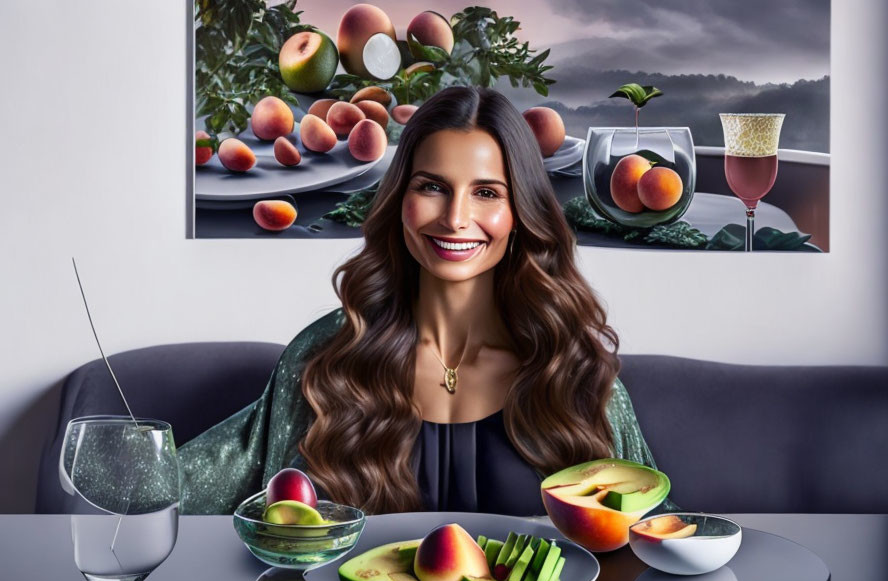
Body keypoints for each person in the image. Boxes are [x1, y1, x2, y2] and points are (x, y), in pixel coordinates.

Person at [178, 85, 674, 516]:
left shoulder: (572, 367)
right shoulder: (326, 357)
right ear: (399, 202)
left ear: (520, 212)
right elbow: (188, 487)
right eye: (433, 187)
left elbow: (661, 533)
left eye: (487, 193)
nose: (456, 218)